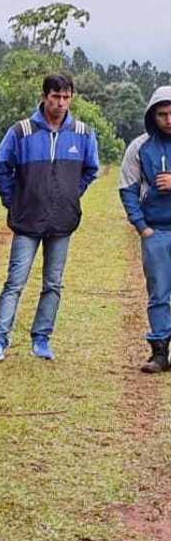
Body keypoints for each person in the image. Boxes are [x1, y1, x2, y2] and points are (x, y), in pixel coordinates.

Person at [0, 74, 99, 362]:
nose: (60, 103)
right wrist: (16, 202)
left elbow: (90, 170)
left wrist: (70, 195)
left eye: (65, 97)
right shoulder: (22, 131)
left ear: (71, 98)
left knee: (54, 283)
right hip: (27, 221)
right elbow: (1, 171)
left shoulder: (83, 133)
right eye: (55, 97)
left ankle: (42, 338)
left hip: (62, 221)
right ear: (45, 96)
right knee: (15, 281)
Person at [120, 85, 171, 372]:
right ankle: (160, 351)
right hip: (155, 230)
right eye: (162, 114)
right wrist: (141, 226)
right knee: (159, 293)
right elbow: (127, 188)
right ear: (153, 115)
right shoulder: (140, 147)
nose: (168, 120)